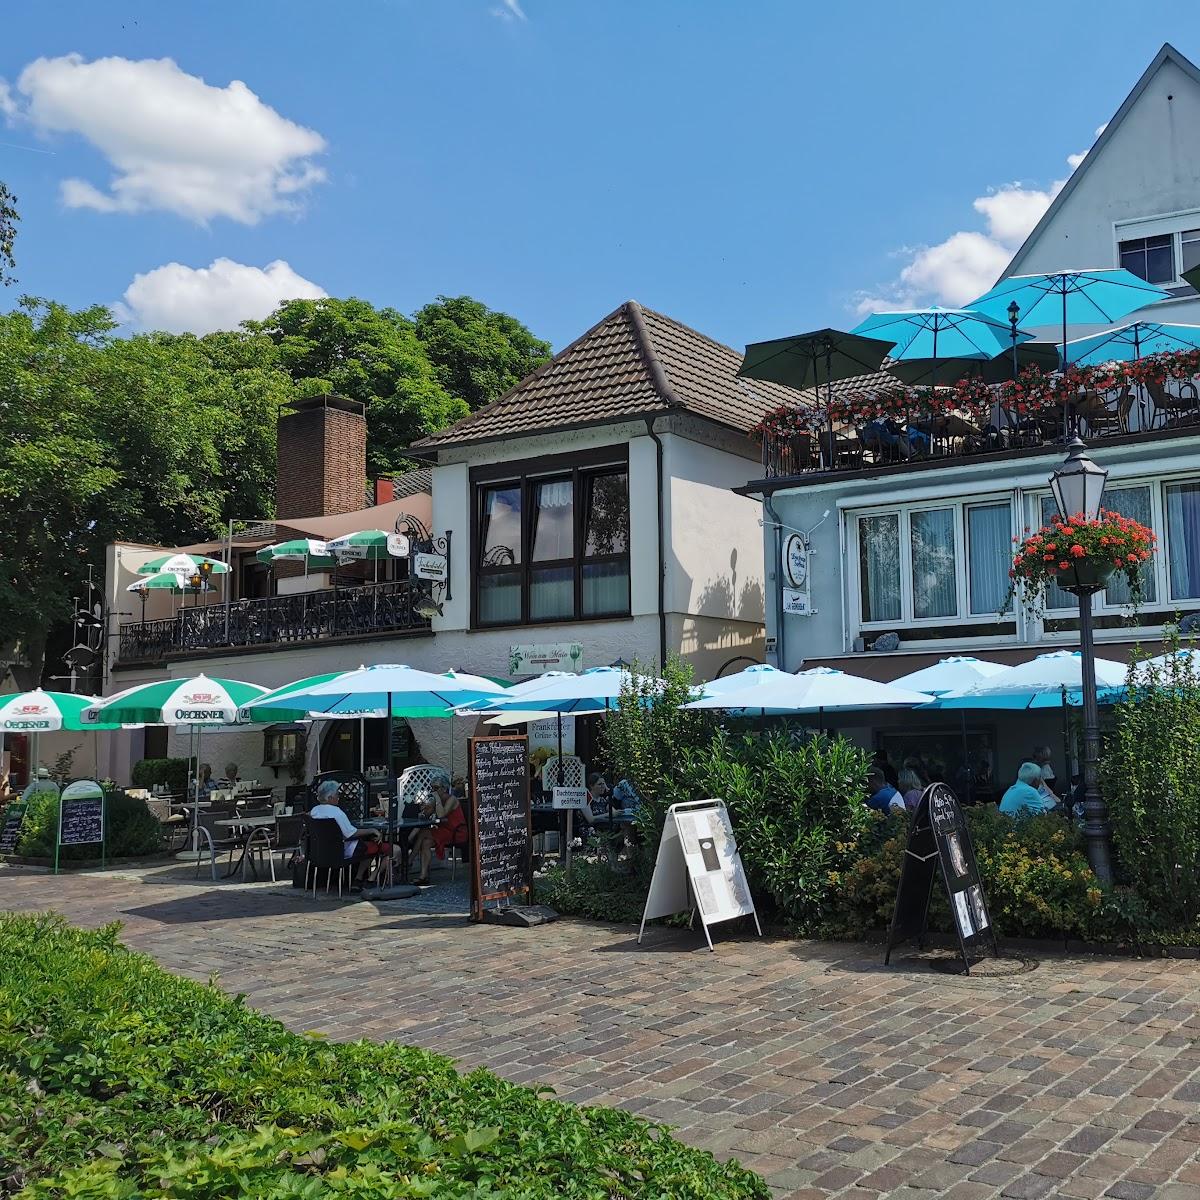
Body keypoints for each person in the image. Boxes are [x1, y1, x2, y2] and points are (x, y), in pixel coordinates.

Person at [309, 779, 395, 884]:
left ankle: (359, 878)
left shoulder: (314, 811)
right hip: (342, 852)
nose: (338, 797)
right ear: (330, 798)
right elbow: (351, 833)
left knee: (369, 846)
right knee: (374, 846)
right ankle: (364, 878)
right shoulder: (337, 812)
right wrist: (372, 830)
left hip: (321, 852)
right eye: (337, 794)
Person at [410, 782, 465, 886]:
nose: (433, 790)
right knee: (426, 842)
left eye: (436, 787)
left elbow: (441, 815)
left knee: (423, 833)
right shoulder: (435, 800)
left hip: (455, 831)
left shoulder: (451, 799)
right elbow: (425, 815)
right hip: (443, 829)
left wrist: (437, 800)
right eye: (432, 788)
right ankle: (423, 876)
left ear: (444, 789)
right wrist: (425, 807)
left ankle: (410, 860)